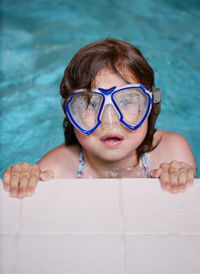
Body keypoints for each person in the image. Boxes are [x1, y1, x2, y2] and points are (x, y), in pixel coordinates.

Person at [2, 38, 196, 199]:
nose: (109, 120)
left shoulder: (169, 151)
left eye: (127, 101)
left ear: (149, 105)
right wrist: (23, 177)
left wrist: (179, 174)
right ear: (71, 113)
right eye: (91, 103)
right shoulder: (58, 167)